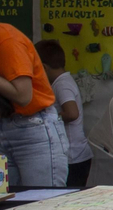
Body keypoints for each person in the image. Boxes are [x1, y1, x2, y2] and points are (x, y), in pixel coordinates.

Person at [0, 13, 68, 188]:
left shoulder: (5, 38)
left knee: (41, 204)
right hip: (2, 128)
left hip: (33, 129)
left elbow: (23, 96)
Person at [33, 41, 92, 187]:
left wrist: (48, 118)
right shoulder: (63, 81)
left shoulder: (62, 84)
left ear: (44, 68)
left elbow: (72, 113)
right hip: (75, 154)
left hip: (73, 155)